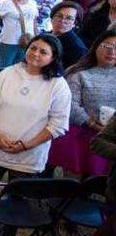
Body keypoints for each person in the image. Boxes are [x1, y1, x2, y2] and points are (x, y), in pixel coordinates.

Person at [0, 34, 71, 236]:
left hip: (29, 153)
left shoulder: (58, 85)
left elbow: (58, 124)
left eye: (43, 51)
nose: (36, 54)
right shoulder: (8, 73)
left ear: (53, 57)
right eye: (33, 48)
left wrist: (26, 145)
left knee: (18, 197)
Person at [46, 31, 116, 176]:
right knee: (75, 185)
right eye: (107, 46)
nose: (111, 51)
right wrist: (92, 124)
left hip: (111, 136)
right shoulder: (79, 74)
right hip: (82, 134)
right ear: (96, 47)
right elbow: (70, 105)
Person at [49, 1, 89, 69]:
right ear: (52, 18)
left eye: (69, 18)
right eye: (59, 16)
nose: (62, 21)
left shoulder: (77, 49)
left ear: (75, 24)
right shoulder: (46, 35)